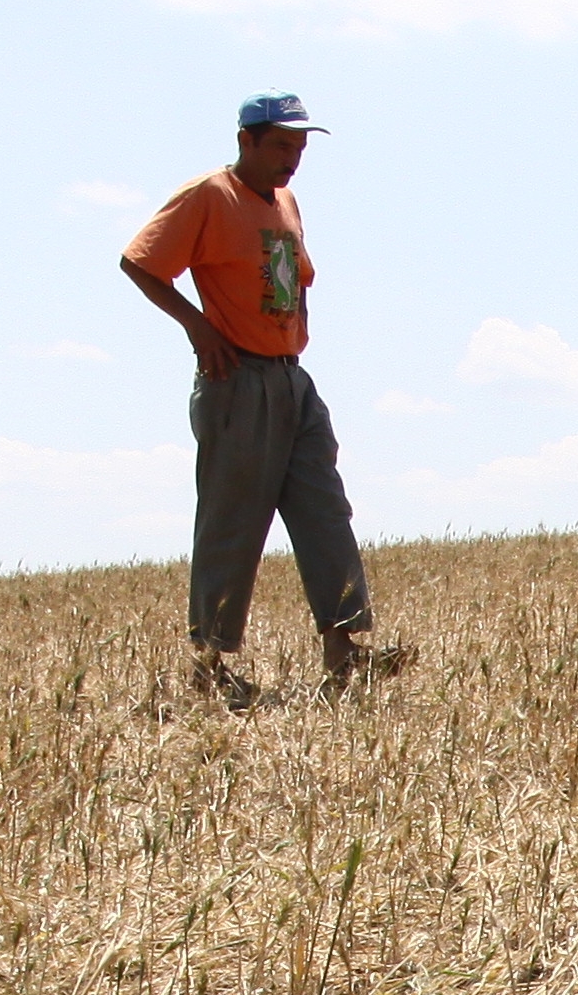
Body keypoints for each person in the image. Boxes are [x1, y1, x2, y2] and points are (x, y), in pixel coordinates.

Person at [119, 95, 397, 706]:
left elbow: (295, 279)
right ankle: (209, 666)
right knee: (233, 520)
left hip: (292, 377)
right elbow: (139, 261)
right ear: (245, 141)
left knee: (326, 510)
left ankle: (346, 649)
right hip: (237, 379)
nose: (291, 161)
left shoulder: (286, 204)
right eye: (280, 147)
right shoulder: (208, 196)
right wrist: (198, 327)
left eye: (299, 150)